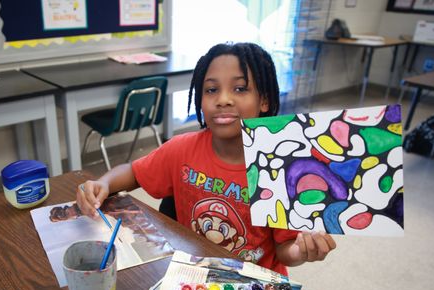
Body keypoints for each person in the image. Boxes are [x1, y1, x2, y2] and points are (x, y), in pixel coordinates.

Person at [76, 42, 336, 275]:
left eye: (240, 88)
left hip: (252, 285)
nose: (223, 100)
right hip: (192, 274)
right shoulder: (182, 149)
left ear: (264, 100)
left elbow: (284, 250)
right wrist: (105, 183)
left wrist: (303, 250)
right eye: (211, 90)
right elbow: (133, 172)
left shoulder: (279, 166)